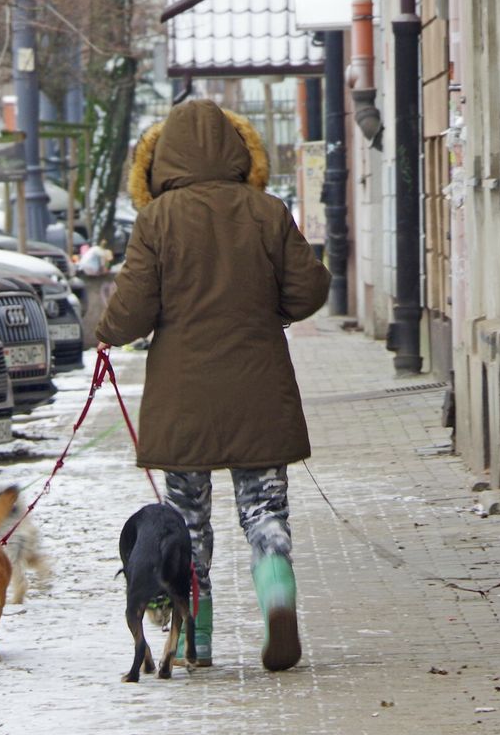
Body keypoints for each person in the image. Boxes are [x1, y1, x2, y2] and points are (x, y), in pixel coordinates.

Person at [95, 99, 330, 672]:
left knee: (187, 522)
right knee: (264, 510)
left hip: (184, 398)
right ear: (238, 152)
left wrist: (104, 333)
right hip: (259, 389)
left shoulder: (157, 220)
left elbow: (129, 315)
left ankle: (196, 638)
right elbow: (308, 292)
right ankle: (277, 600)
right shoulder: (267, 211)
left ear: (160, 161)